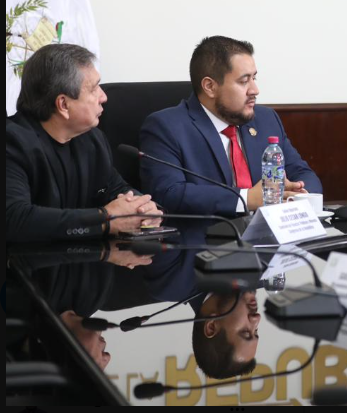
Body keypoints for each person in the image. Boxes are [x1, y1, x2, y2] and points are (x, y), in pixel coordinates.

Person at [140, 36, 321, 216]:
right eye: (244, 81)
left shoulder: (266, 119)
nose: (255, 90)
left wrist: (297, 194)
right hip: (209, 241)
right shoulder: (167, 127)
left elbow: (303, 174)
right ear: (210, 86)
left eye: (254, 78)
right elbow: (169, 194)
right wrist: (247, 198)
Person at [7, 44, 162, 242]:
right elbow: (15, 219)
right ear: (63, 104)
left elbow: (116, 189)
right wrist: (104, 221)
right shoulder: (12, 144)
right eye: (94, 88)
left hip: (84, 262)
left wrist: (144, 208)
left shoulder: (92, 140)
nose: (104, 97)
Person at [192, 290, 260, 379]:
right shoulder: (268, 279)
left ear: (211, 327)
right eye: (256, 330)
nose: (257, 318)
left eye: (246, 332)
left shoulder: (170, 280)